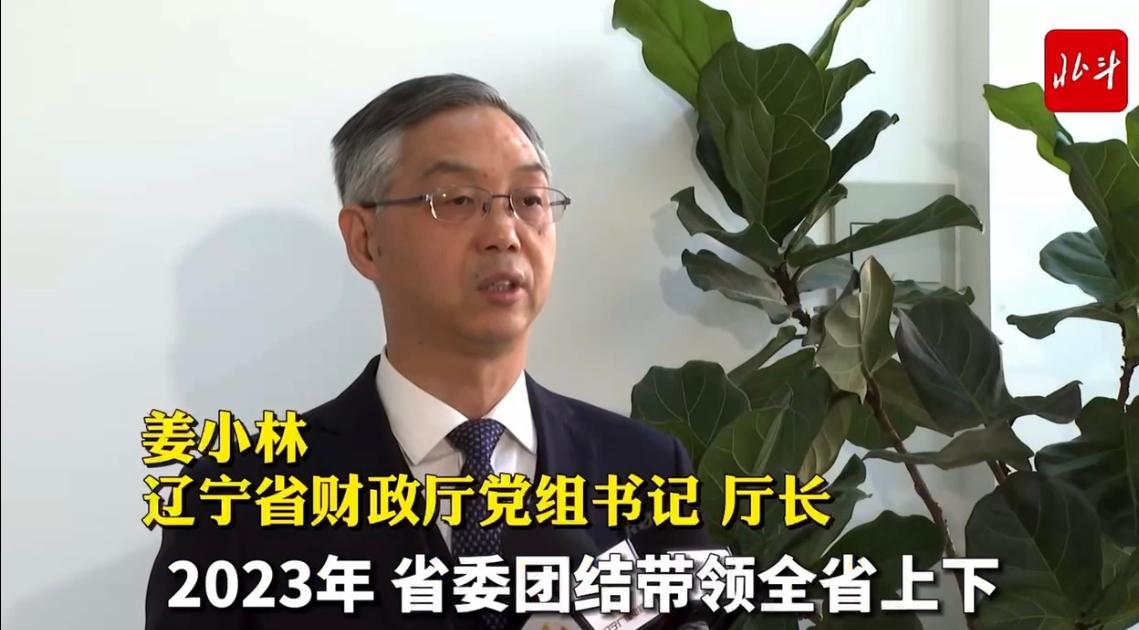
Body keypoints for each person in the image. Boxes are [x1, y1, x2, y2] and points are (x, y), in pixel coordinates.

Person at [145, 74, 708, 630]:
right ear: (366, 241)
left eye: (529, 200)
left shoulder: (648, 469)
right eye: (458, 200)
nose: (505, 232)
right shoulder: (234, 503)